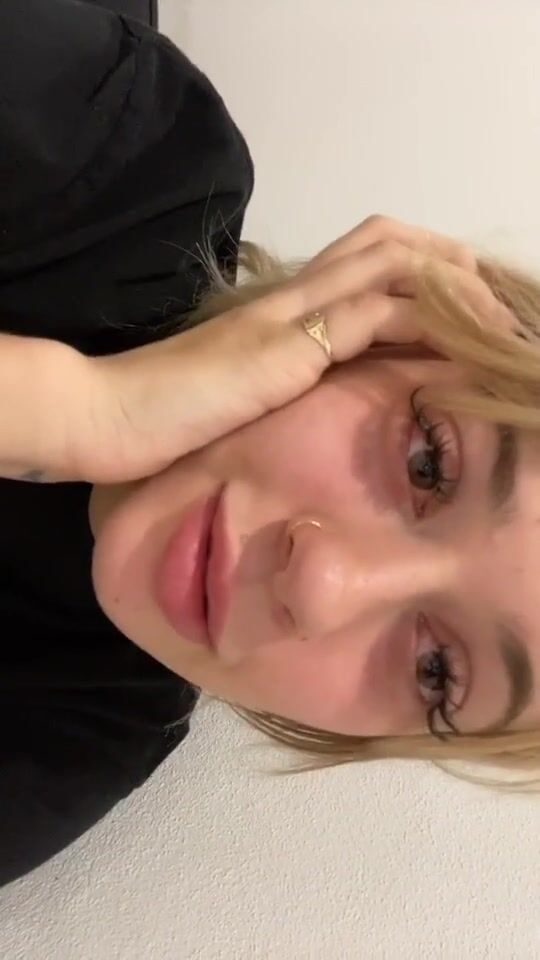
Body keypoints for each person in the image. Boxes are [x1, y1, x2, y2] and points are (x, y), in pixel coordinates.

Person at [2, 0, 540, 888]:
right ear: (395, 327)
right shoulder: (115, 153)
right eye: (428, 463)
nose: (322, 587)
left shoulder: (64, 740)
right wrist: (84, 413)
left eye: (438, 671)